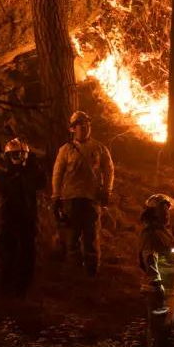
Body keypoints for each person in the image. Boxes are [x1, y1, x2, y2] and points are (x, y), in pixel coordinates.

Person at [51, 111, 114, 278]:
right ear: (73, 129)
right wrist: (56, 196)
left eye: (87, 124)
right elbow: (57, 173)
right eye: (81, 125)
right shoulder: (65, 150)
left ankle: (91, 272)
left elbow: (109, 170)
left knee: (91, 236)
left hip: (91, 199)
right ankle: (75, 272)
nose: (85, 127)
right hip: (70, 199)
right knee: (72, 236)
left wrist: (107, 190)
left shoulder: (99, 148)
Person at [138, 193, 174, 347]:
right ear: (153, 213)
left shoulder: (166, 232)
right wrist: (158, 286)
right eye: (162, 210)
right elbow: (149, 259)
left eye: (167, 210)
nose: (167, 213)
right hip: (160, 290)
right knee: (161, 333)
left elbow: (172, 256)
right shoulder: (150, 233)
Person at [0, 138, 46, 297]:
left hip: (28, 218)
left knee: (27, 252)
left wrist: (33, 165)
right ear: (8, 156)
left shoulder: (31, 171)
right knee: (8, 251)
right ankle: (7, 285)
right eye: (15, 154)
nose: (19, 157)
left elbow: (41, 182)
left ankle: (23, 287)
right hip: (9, 217)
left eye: (22, 154)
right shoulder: (4, 173)